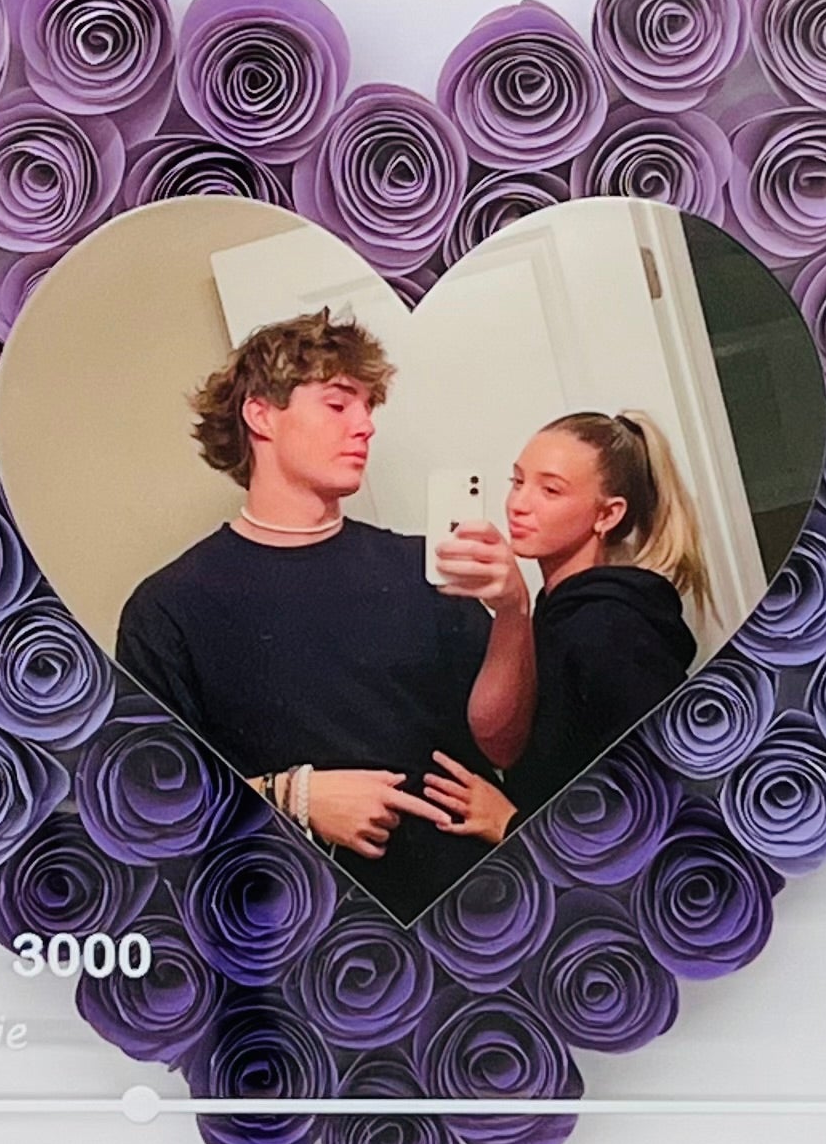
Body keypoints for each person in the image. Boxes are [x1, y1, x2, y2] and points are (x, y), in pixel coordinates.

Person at [114, 311, 533, 919]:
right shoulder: (169, 610)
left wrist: (514, 612)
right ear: (261, 416)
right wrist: (296, 795)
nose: (365, 425)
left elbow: (506, 745)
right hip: (304, 932)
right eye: (339, 404)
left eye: (368, 407)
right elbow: (152, 808)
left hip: (481, 915)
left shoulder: (425, 568)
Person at [419, 410, 706, 845]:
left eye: (550, 490)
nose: (518, 504)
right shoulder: (556, 613)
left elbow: (662, 796)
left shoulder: (609, 625)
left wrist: (510, 823)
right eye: (517, 481)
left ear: (607, 515)